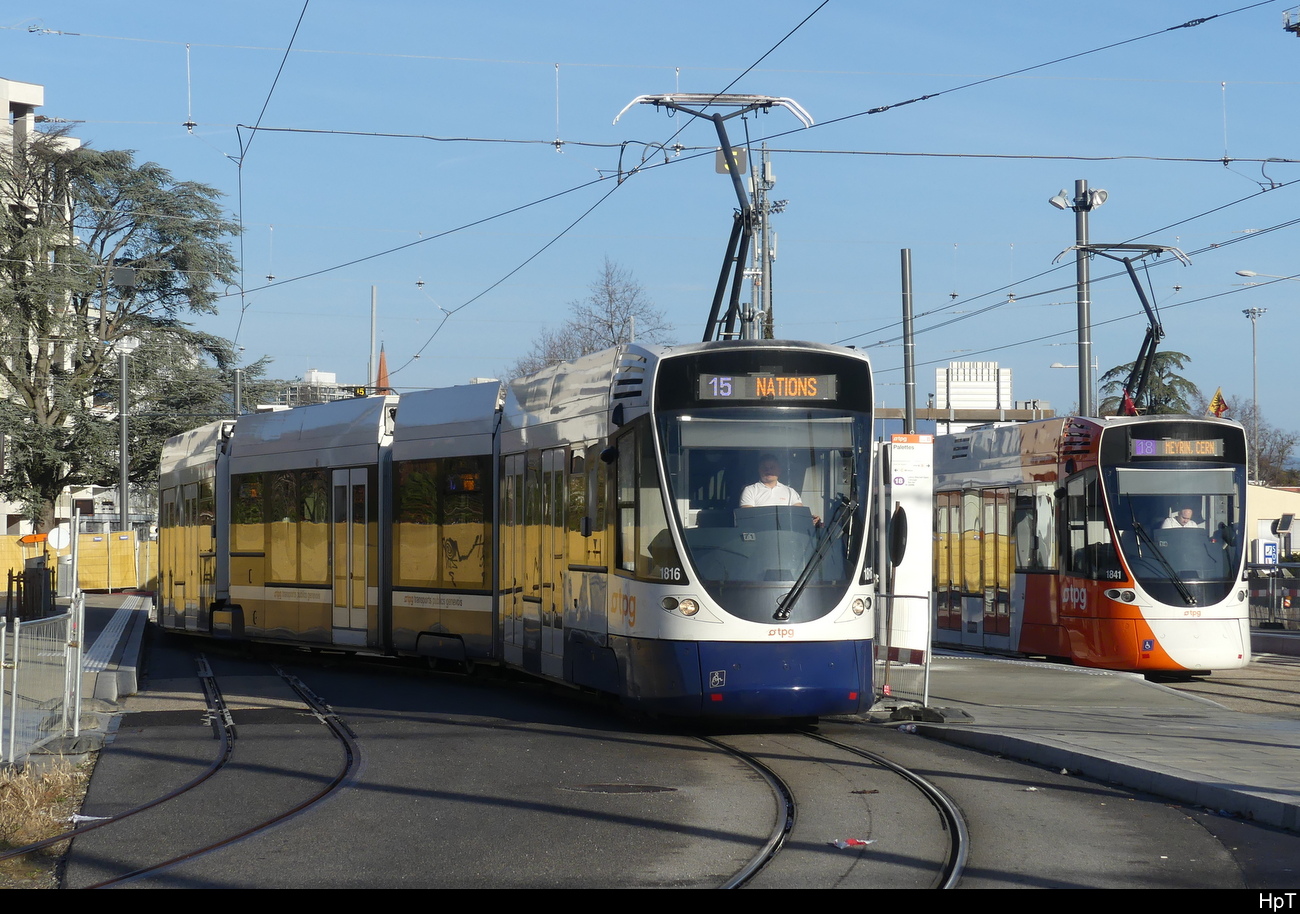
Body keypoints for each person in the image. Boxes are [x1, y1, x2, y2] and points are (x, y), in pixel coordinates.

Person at [740, 455, 820, 524]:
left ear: (779, 470)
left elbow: (799, 515)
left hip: (786, 536)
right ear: (759, 469)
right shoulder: (750, 490)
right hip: (759, 536)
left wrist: (810, 519)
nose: (768, 470)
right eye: (765, 467)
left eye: (772, 467)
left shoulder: (790, 491)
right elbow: (747, 518)